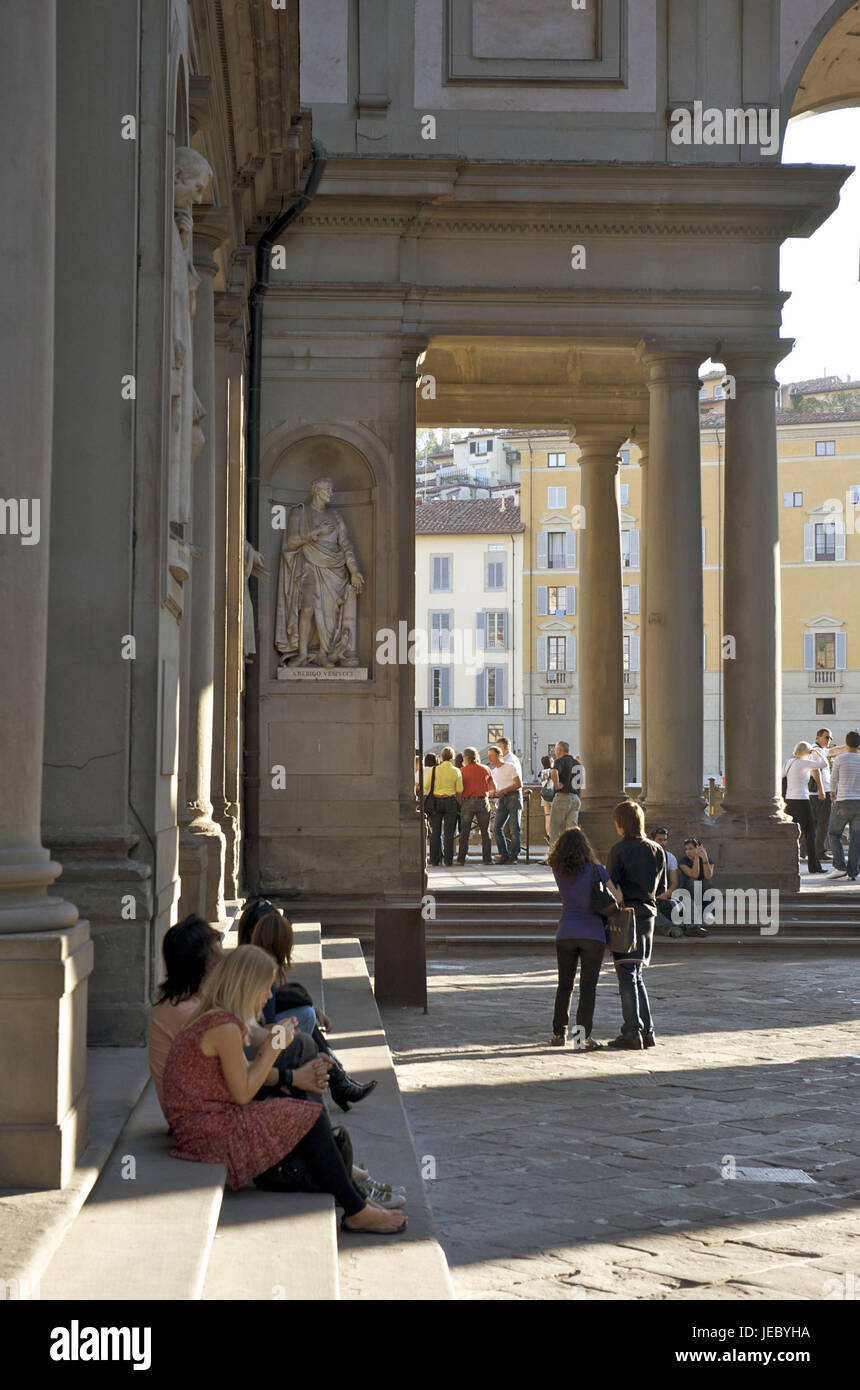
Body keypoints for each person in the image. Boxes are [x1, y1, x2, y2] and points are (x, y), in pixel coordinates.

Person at [163, 946, 406, 1232]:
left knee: (303, 1077)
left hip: (209, 1121)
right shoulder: (223, 1027)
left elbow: (260, 1044)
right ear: (247, 985)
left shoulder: (222, 1018)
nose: (269, 996)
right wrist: (277, 1045)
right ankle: (355, 1205)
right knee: (310, 1115)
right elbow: (243, 1092)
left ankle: (352, 1192)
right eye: (266, 988)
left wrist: (296, 1048)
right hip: (208, 1132)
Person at [239, 899, 377, 1112]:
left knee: (305, 1020)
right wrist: (289, 1031)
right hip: (250, 1053)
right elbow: (258, 1027)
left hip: (253, 1042)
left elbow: (269, 1010)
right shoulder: (257, 972)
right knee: (304, 1025)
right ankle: (335, 1079)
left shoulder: (247, 961)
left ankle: (336, 1078)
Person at [605, 801, 667, 1050]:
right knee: (637, 973)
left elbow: (612, 887)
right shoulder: (656, 849)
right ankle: (647, 1031)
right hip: (648, 913)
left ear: (621, 824)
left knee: (626, 974)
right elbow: (661, 889)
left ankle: (632, 1030)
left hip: (626, 914)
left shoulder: (618, 850)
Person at [148, 915, 223, 1116]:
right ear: (202, 962)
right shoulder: (189, 1012)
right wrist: (290, 1077)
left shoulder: (179, 999)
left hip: (195, 1107)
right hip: (196, 1117)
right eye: (215, 949)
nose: (221, 955)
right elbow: (240, 1075)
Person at [547, 827, 614, 1051]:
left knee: (564, 985)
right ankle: (580, 1038)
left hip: (565, 932)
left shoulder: (558, 870)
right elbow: (618, 897)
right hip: (593, 933)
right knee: (588, 988)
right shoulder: (597, 870)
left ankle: (558, 1033)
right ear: (585, 847)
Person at [782, 741, 826, 874]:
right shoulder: (804, 763)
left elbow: (781, 776)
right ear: (807, 752)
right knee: (810, 834)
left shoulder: (789, 762)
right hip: (802, 801)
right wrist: (817, 752)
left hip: (789, 801)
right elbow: (823, 763)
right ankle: (814, 866)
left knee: (790, 833)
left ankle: (787, 864)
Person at [828, 730, 860, 880]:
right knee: (856, 838)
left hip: (843, 801)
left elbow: (833, 779)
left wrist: (832, 794)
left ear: (846, 743)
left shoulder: (840, 759)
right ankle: (853, 872)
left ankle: (840, 866)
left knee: (834, 834)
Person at [424, 746, 462, 866]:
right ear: (452, 757)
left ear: (441, 756)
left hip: (436, 801)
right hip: (450, 802)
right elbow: (460, 789)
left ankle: (435, 859)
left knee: (436, 832)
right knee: (449, 833)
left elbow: (426, 785)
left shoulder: (434, 770)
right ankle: (448, 860)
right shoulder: (456, 771)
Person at [457, 746, 494, 864]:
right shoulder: (486, 769)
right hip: (483, 801)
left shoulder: (462, 771)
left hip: (468, 801)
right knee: (485, 831)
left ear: (466, 758)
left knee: (465, 831)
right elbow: (493, 787)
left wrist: (461, 802)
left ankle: (461, 859)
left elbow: (458, 790)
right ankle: (487, 859)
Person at [487, 744, 522, 864]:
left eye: (491, 756)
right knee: (496, 828)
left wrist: (504, 790)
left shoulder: (510, 766)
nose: (489, 758)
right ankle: (504, 854)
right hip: (502, 799)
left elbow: (518, 784)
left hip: (513, 797)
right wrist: (493, 793)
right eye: (489, 756)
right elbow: (496, 787)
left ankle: (514, 856)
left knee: (514, 828)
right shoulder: (493, 771)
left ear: (499, 755)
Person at [547, 741, 583, 850]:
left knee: (555, 830)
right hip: (575, 799)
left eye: (556, 750)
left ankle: (554, 856)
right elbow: (581, 786)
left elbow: (554, 772)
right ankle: (572, 855)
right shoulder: (578, 764)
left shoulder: (559, 761)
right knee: (572, 831)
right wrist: (577, 798)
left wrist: (557, 785)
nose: (555, 752)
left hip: (562, 797)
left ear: (559, 750)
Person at [675, 837, 714, 937]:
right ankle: (697, 911)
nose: (688, 851)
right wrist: (696, 857)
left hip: (702, 894)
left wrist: (704, 858)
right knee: (693, 881)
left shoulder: (709, 860)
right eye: (686, 849)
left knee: (707, 881)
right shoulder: (682, 861)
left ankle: (707, 911)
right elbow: (694, 874)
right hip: (688, 894)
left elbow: (708, 875)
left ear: (698, 848)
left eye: (691, 848)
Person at [650, 828, 682, 938]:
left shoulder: (671, 857)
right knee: (650, 909)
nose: (663, 843)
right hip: (648, 896)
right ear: (652, 840)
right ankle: (670, 929)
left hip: (664, 896)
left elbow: (674, 883)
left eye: (665, 840)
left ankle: (690, 927)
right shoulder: (645, 856)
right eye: (659, 839)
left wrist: (665, 895)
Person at [538, 755, 555, 843]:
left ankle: (548, 835)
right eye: (552, 761)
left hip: (544, 796)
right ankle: (554, 836)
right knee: (555, 817)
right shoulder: (553, 771)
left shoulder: (542, 772)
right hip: (553, 795)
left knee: (547, 817)